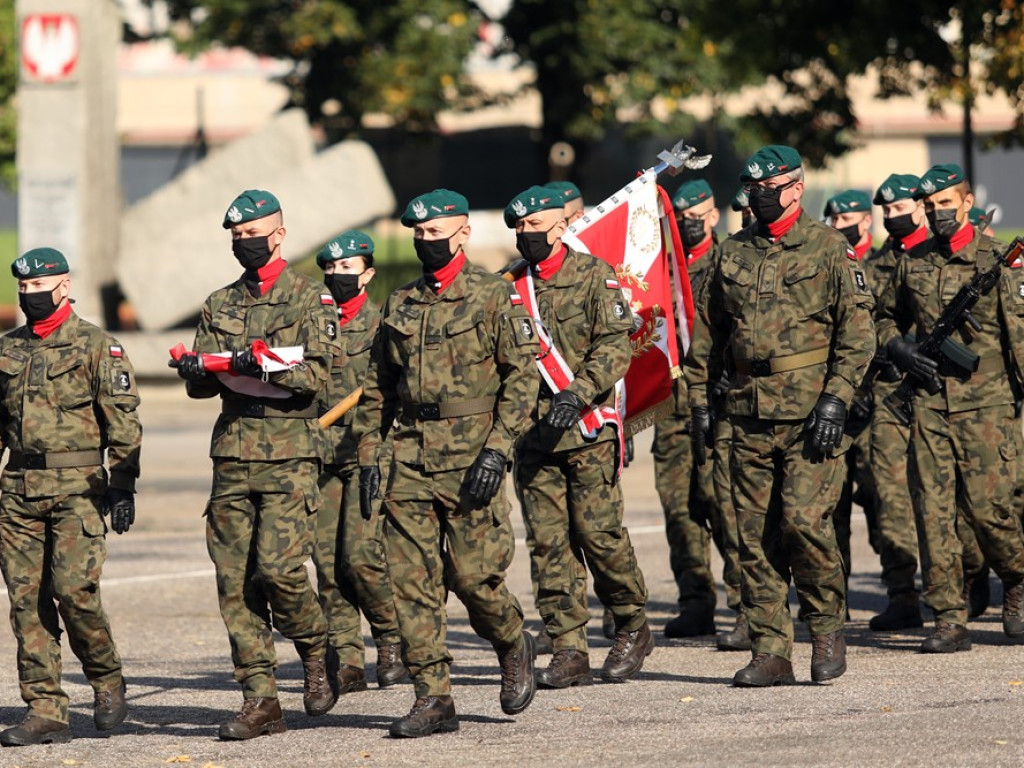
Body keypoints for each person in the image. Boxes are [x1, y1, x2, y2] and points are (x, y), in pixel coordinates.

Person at [686, 146, 876, 686]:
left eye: (769, 188)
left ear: (794, 188)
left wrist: (837, 398)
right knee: (753, 534)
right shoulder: (732, 254)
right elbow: (707, 337)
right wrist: (701, 404)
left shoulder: (829, 249)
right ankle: (771, 648)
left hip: (809, 412)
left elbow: (859, 335)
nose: (759, 197)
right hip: (745, 412)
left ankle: (826, 630)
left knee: (803, 524)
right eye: (753, 190)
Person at [354, 189, 539, 738]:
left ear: (461, 233)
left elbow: (522, 379)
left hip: (470, 454)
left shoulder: (492, 296)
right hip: (409, 456)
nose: (424, 242)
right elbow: (377, 387)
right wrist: (370, 453)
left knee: (472, 578)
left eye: (435, 233)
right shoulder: (401, 302)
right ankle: (432, 696)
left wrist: (499, 447)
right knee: (411, 582)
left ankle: (511, 640)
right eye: (418, 234)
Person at [176, 190, 340, 739]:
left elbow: (317, 379)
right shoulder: (218, 303)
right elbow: (205, 387)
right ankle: (260, 699)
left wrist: (265, 367)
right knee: (234, 582)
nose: (244, 243)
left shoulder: (309, 300)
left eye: (254, 233)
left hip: (290, 451)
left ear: (279, 235)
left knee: (278, 571)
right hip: (232, 451)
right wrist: (196, 369)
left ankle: (316, 646)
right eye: (236, 236)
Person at [507, 185, 653, 689]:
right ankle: (568, 647)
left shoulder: (595, 277)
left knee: (598, 536)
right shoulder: (509, 287)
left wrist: (580, 392)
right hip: (534, 437)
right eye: (520, 228)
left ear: (560, 226)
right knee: (548, 545)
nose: (527, 235)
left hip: (586, 430)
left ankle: (632, 622)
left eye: (536, 226)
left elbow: (616, 347)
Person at [875, 163, 1024, 652]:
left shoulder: (998, 261)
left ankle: (1018, 579)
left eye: (945, 203)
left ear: (965, 202)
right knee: (933, 511)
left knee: (989, 511)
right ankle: (948, 617)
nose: (937, 213)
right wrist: (898, 348)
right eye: (930, 205)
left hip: (988, 406)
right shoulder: (912, 262)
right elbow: (882, 315)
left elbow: (1018, 337)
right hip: (928, 405)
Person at [0, 249, 141, 747]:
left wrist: (123, 485)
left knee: (74, 592)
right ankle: (45, 708)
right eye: (23, 289)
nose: (29, 296)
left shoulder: (96, 345)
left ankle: (106, 679)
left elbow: (122, 420)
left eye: (39, 287)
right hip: (18, 492)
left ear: (63, 287)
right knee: (26, 602)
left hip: (78, 490)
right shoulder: (7, 348)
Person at [652, 179, 745, 648]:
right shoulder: (660, 270)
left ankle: (747, 606)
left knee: (724, 503)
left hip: (715, 399)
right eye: (679, 217)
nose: (687, 223)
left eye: (695, 215)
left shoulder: (730, 261)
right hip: (671, 402)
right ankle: (695, 601)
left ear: (713, 216)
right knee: (678, 506)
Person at [314, 231, 407, 694]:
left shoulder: (382, 324)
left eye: (346, 269)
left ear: (367, 274)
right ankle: (347, 656)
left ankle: (392, 639)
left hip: (369, 450)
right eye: (330, 270)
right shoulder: (311, 322)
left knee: (362, 555)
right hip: (319, 452)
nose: (336, 277)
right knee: (326, 561)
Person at [823, 189, 879, 598]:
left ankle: (902, 591)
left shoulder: (886, 264)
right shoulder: (823, 265)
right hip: (835, 400)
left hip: (883, 402)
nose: (840, 227)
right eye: (834, 221)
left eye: (848, 220)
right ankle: (835, 596)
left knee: (884, 504)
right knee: (832, 506)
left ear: (866, 223)